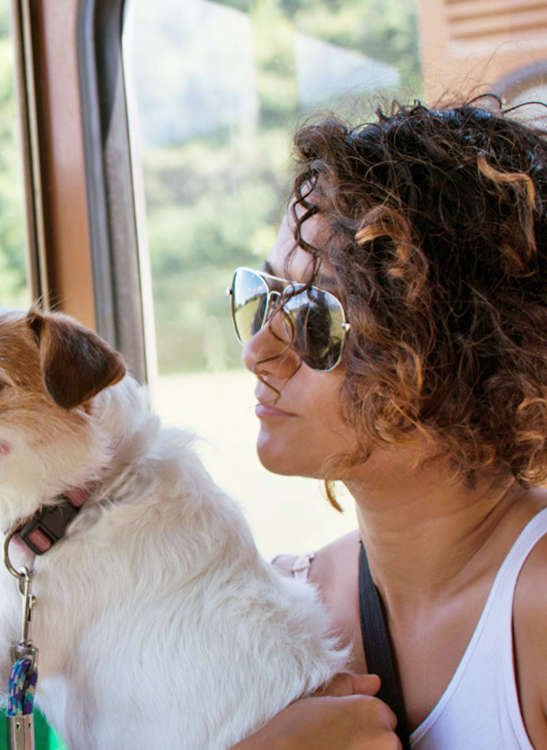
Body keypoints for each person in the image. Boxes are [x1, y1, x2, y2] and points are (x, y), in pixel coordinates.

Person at [226, 100, 547, 749]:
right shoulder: (285, 603)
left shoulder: (535, 612)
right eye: (264, 295)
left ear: (463, 355)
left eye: (315, 316)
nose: (257, 351)